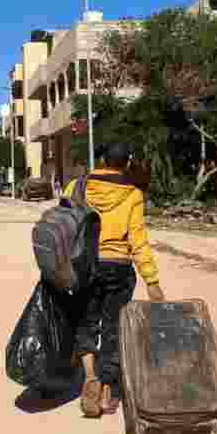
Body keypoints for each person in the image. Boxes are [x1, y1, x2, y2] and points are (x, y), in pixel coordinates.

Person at [62, 142, 165, 418]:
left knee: (85, 322)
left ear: (102, 159)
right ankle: (108, 391)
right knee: (113, 327)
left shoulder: (76, 187)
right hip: (118, 268)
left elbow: (64, 226)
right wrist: (151, 281)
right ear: (127, 163)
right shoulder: (132, 194)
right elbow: (138, 240)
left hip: (85, 265)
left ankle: (90, 377)